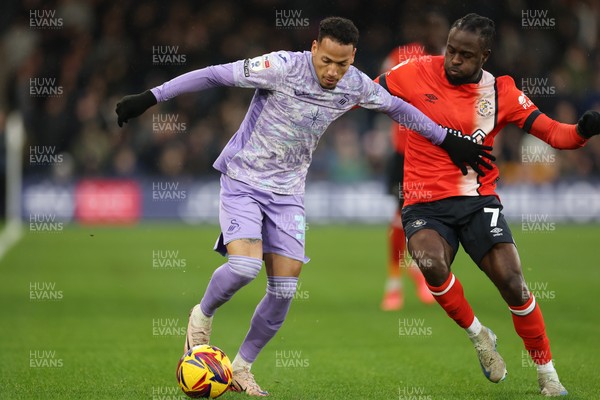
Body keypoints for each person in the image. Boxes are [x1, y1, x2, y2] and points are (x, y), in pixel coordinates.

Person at [116, 17, 492, 396]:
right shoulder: (281, 67)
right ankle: (201, 317)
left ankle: (243, 367)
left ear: (353, 58)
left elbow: (399, 110)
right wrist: (151, 97)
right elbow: (215, 75)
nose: (332, 72)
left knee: (283, 291)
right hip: (244, 179)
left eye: (341, 64)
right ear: (314, 49)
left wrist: (449, 140)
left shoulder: (356, 84)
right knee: (245, 266)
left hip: (289, 193)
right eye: (326, 60)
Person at [376, 13, 600, 397]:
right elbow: (362, 92)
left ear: (485, 56)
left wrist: (582, 131)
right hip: (424, 202)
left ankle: (547, 374)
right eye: (451, 50)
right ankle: (479, 336)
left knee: (513, 283)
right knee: (430, 263)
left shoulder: (502, 93)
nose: (454, 60)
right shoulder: (412, 72)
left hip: (477, 201)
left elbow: (553, 133)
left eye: (465, 54)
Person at [380, 11, 448, 311]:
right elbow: (378, 93)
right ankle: (394, 282)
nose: (436, 34)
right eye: (430, 28)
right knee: (399, 219)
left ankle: (423, 272)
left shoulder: (455, 60)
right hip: (405, 153)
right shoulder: (402, 56)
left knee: (432, 220)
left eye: (440, 29)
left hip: (438, 155)